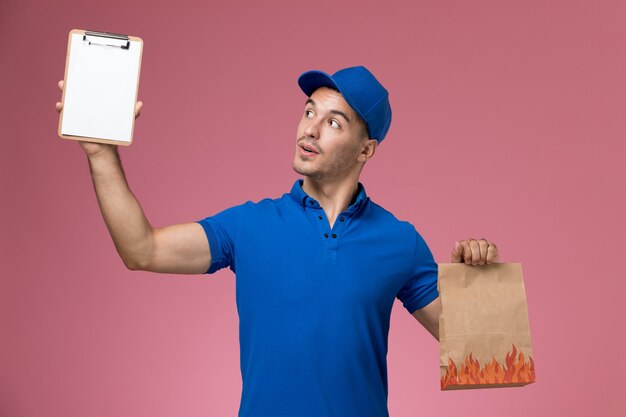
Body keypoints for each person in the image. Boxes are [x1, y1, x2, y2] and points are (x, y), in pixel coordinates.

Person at [56, 66, 500, 417]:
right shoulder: (250, 225)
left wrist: (476, 280)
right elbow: (142, 249)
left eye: (333, 122)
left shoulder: (399, 241)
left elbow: (482, 349)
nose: (310, 129)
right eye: (309, 111)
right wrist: (102, 155)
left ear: (365, 151)